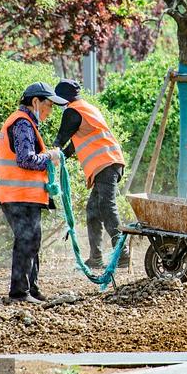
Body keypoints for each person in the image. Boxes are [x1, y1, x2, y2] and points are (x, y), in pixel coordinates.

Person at [0, 82, 67, 304]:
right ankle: (19, 294)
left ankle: (31, 289)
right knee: (27, 241)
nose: (50, 111)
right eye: (49, 105)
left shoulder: (24, 123)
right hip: (19, 195)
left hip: (21, 195)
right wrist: (51, 156)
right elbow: (26, 160)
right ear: (35, 102)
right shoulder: (22, 124)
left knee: (31, 240)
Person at [52, 79, 129, 269]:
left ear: (63, 99)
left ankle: (122, 253)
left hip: (105, 164)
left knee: (107, 207)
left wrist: (52, 153)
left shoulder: (72, 112)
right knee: (93, 210)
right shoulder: (86, 108)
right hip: (109, 163)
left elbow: (62, 138)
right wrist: (62, 156)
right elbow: (73, 144)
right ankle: (96, 257)